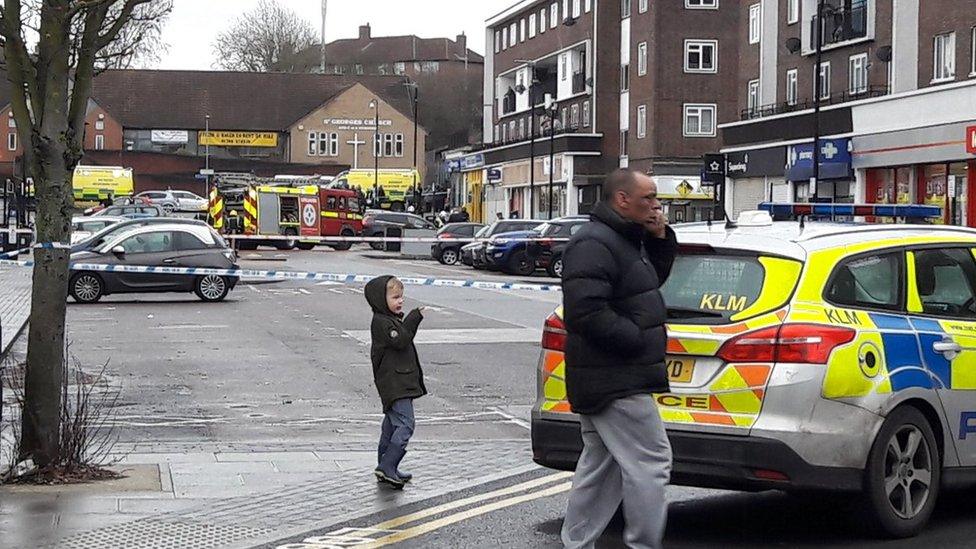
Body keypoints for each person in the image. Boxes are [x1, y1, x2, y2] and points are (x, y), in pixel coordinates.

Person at [560, 168, 677, 549]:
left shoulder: (624, 239)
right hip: (614, 376)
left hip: (608, 375)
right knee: (652, 461)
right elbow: (585, 312)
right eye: (648, 198)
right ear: (622, 199)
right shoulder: (594, 243)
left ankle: (576, 542)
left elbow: (643, 285)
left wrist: (659, 239)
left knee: (603, 466)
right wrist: (636, 340)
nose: (656, 205)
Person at [364, 275, 427, 490]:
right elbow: (401, 340)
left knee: (391, 425)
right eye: (395, 297)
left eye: (401, 297)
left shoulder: (388, 320)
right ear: (381, 300)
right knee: (406, 424)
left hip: (397, 382)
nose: (400, 301)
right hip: (395, 383)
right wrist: (413, 318)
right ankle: (388, 465)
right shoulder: (383, 323)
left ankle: (385, 464)